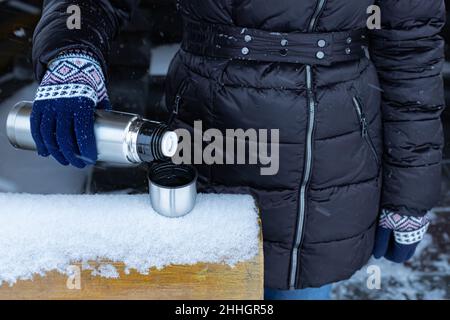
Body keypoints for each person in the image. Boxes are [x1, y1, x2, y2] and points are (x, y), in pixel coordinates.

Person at [30, 0, 445, 299]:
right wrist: (73, 51)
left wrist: (409, 195)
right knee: (202, 288)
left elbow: (410, 51)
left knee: (296, 292)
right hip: (206, 132)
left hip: (325, 164)